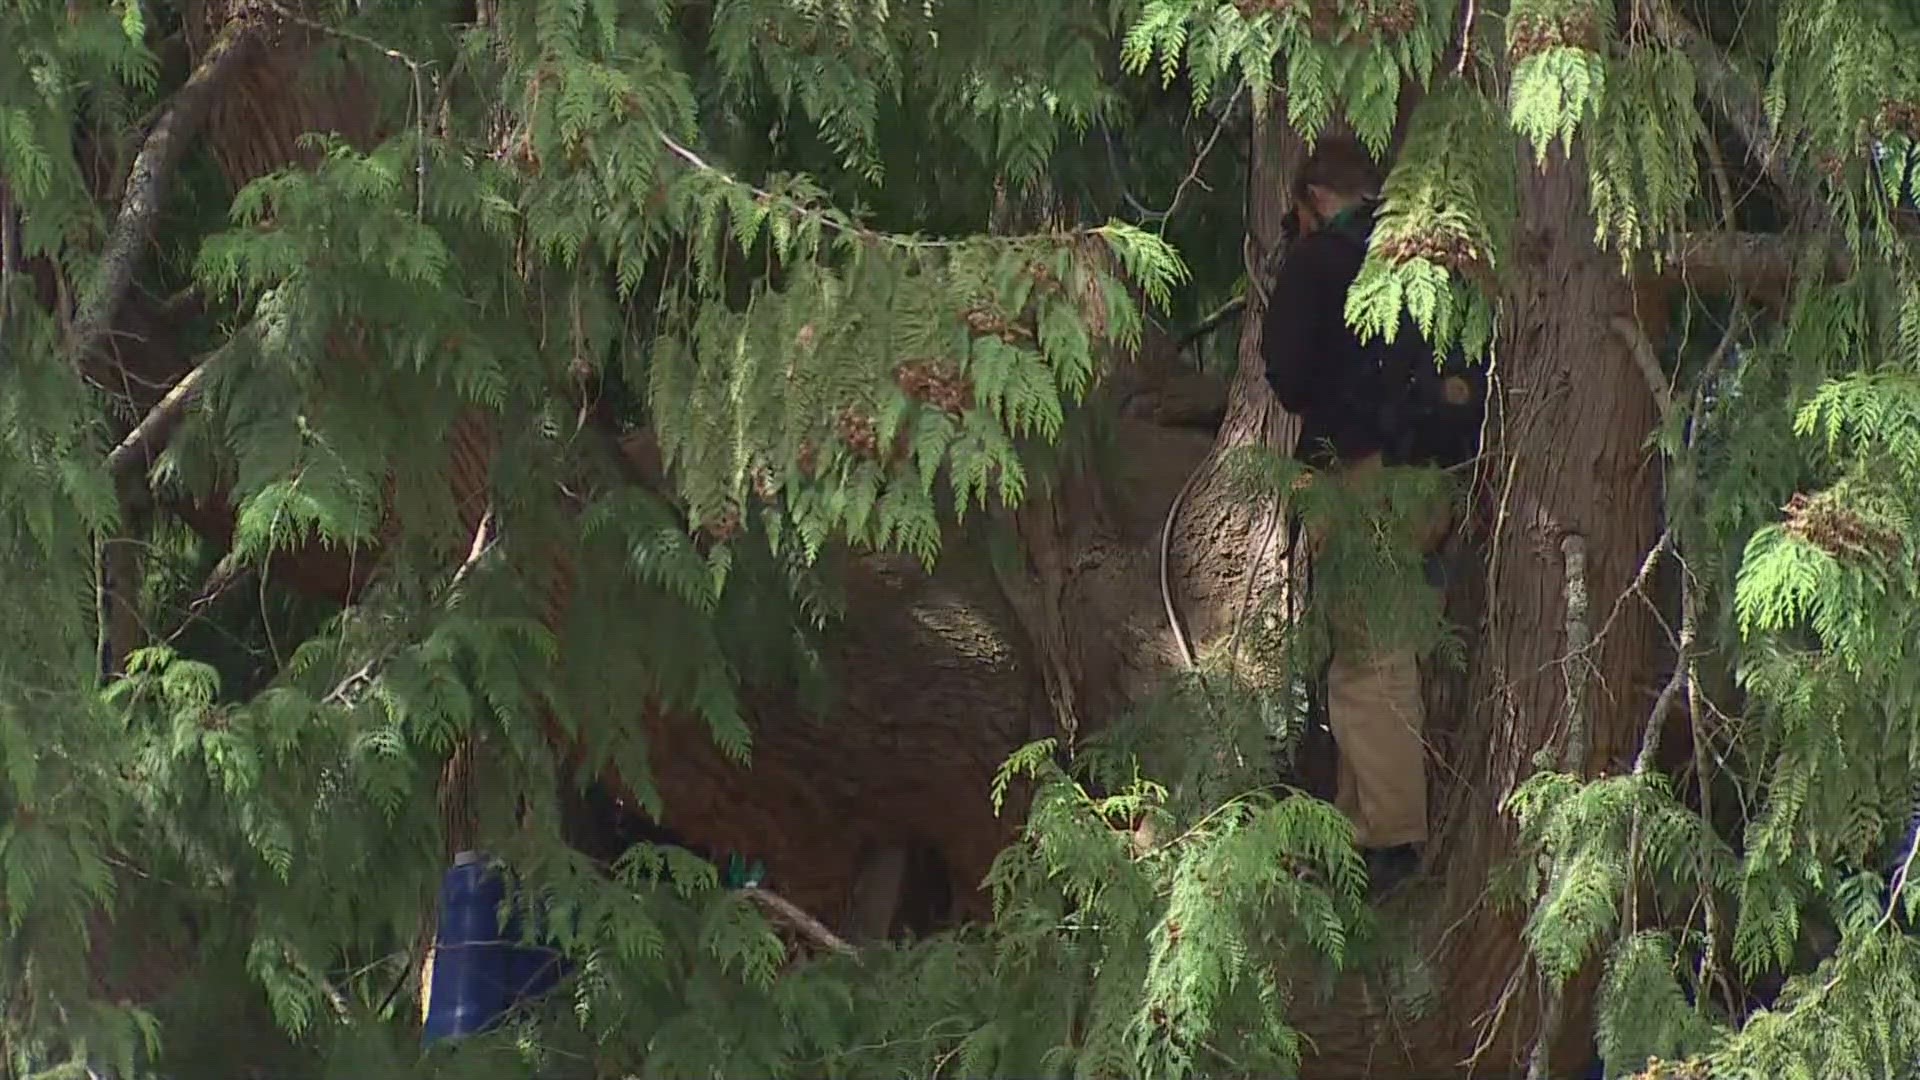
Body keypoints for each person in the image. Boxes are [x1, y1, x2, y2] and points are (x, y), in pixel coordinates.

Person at [1261, 137, 1481, 898]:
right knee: (1373, 653)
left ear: (1314, 198)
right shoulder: (1427, 262)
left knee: (1369, 657)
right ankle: (1355, 828)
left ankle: (1389, 840)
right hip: (1436, 481)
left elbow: (1286, 376)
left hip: (1363, 479)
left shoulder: (1322, 262)